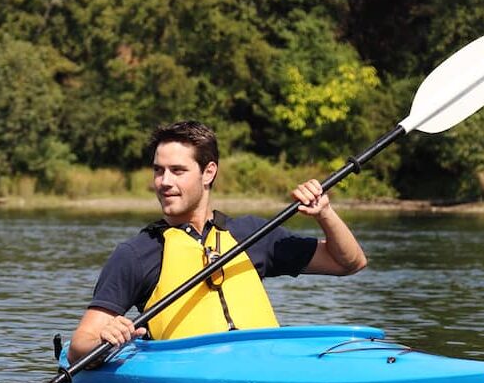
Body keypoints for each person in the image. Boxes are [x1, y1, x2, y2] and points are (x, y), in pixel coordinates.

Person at [68, 121, 367, 361]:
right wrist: (107, 335)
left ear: (208, 172)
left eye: (178, 171)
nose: (164, 182)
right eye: (158, 171)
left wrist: (325, 213)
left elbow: (349, 263)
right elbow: (80, 345)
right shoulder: (136, 253)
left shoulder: (252, 234)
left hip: (269, 365)